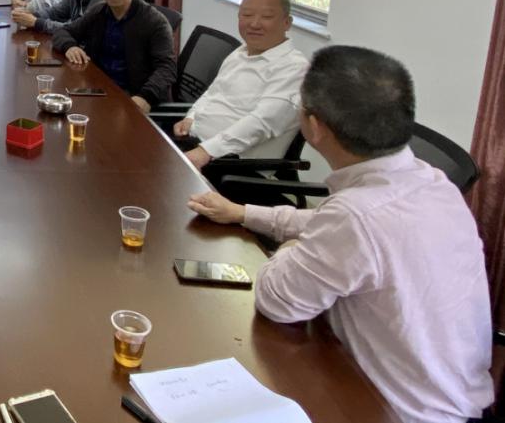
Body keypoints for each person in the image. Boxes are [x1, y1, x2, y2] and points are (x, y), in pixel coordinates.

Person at [187, 46, 493, 423]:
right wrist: (244, 213)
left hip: (390, 409)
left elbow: (277, 299)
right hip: (460, 401)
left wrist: (292, 245)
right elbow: (332, 224)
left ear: (314, 127)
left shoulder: (354, 217)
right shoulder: (433, 183)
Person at [171, 0, 308, 169]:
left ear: (287, 23)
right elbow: (213, 92)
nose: (254, 24)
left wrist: (206, 151)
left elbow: (262, 123)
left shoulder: (294, 68)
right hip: (196, 143)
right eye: (247, 15)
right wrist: (191, 117)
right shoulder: (240, 52)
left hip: (232, 163)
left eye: (267, 17)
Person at [51, 0, 175, 112]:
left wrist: (146, 96)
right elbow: (63, 32)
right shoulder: (99, 12)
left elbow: (167, 68)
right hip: (98, 89)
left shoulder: (155, 21)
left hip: (133, 97)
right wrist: (69, 46)